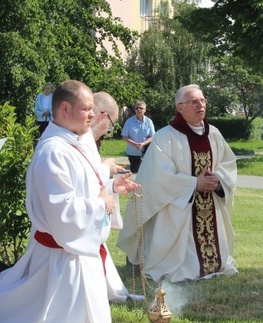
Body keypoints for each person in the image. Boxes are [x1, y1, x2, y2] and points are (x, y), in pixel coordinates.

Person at [0, 80, 138, 323]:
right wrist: (101, 205)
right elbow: (61, 210)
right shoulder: (53, 151)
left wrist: (111, 188)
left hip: (72, 255)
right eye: (86, 108)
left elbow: (85, 189)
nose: (92, 115)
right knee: (34, 320)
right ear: (64, 108)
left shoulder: (71, 144)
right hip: (57, 258)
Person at [117, 84, 238, 283]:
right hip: (178, 207)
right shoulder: (165, 137)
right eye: (194, 102)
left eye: (202, 100)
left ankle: (212, 262)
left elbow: (228, 163)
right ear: (180, 107)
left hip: (210, 204)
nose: (200, 105)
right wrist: (193, 184)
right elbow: (158, 177)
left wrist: (218, 180)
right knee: (177, 263)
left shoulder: (213, 133)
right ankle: (182, 265)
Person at [90, 91, 143, 303]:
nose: (108, 131)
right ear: (103, 116)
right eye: (111, 124)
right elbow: (80, 181)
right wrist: (106, 169)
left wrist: (112, 185)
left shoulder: (88, 141)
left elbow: (89, 184)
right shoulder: (68, 143)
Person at [121, 100, 155, 173]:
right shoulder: (129, 122)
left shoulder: (149, 122)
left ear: (145, 110)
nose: (138, 110)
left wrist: (143, 144)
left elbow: (152, 137)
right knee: (135, 172)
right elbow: (124, 136)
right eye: (136, 108)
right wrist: (135, 144)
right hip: (133, 152)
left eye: (141, 108)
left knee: (147, 172)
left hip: (146, 151)